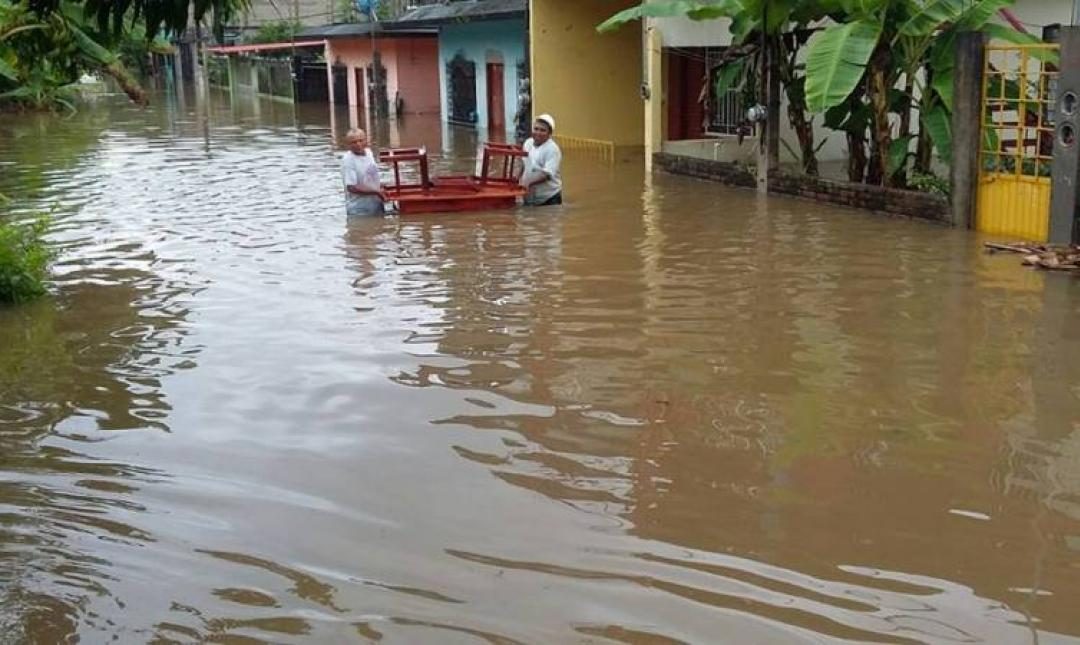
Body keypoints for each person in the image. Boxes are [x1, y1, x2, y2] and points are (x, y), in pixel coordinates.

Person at [341, 128, 387, 217]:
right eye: (354, 142)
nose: (358, 144)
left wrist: (380, 186)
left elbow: (370, 175)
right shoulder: (348, 160)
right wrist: (376, 192)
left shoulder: (369, 153)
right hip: (359, 209)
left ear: (366, 140)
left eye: (361, 140)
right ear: (348, 145)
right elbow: (351, 187)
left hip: (376, 204)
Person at [519, 113, 562, 206]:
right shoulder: (528, 143)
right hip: (529, 195)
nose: (538, 133)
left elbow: (547, 175)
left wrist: (528, 183)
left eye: (543, 130)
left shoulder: (553, 149)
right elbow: (523, 164)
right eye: (536, 129)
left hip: (549, 198)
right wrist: (517, 179)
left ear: (549, 134)